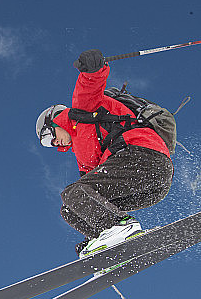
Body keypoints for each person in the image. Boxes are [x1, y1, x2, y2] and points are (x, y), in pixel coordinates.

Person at [35, 49, 174, 257]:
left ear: (55, 119)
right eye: (49, 144)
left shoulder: (80, 113)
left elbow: (89, 86)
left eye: (49, 135)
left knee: (72, 192)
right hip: (152, 185)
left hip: (143, 156)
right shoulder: (84, 154)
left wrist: (92, 68)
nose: (54, 142)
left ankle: (119, 226)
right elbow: (90, 191)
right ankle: (108, 243)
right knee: (70, 208)